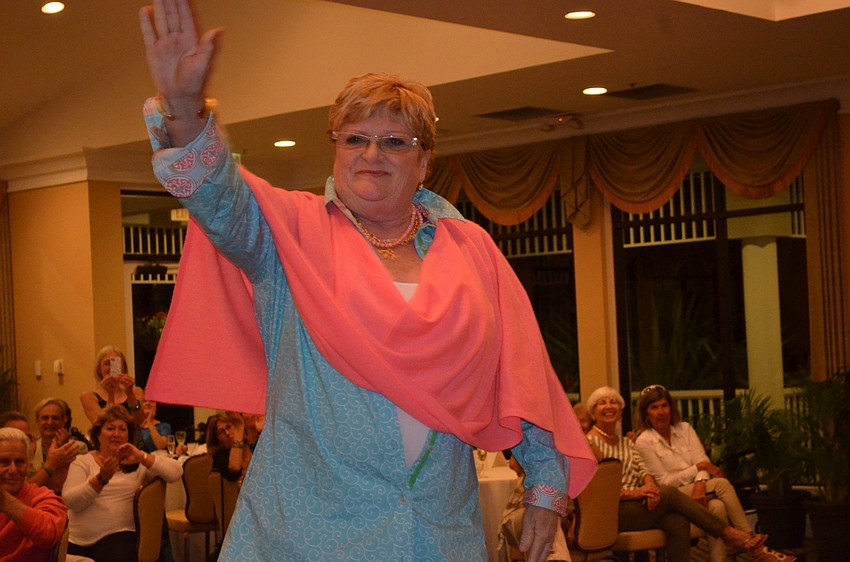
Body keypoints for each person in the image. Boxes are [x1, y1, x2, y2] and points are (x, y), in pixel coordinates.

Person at [137, 1, 596, 561]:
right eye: (354, 139)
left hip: (435, 531)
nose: (372, 154)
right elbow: (221, 200)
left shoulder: (471, 250)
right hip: (309, 532)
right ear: (335, 150)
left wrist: (547, 484)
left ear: (424, 162)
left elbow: (520, 371)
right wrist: (185, 107)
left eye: (395, 141)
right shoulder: (290, 235)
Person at [584, 386, 793, 562]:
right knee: (685, 490)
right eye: (602, 403)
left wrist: (649, 486)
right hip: (613, 511)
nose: (609, 406)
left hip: (642, 504)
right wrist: (641, 492)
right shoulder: (588, 444)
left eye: (614, 402)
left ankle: (737, 542)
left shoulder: (627, 443)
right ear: (593, 413)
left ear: (621, 412)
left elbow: (644, 471)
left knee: (678, 520)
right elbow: (596, 488)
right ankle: (735, 536)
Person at [634, 384, 754, 562]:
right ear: (646, 414)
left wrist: (699, 484)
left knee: (717, 507)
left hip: (698, 490)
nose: (661, 412)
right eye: (654, 408)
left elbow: (702, 458)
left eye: (664, 406)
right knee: (721, 484)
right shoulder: (644, 441)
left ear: (671, 408)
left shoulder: (685, 429)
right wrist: (698, 469)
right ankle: (750, 539)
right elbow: (666, 482)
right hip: (670, 497)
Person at [62, 405, 182, 562]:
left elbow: (176, 472)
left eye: (122, 429)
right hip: (78, 542)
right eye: (110, 428)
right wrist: (101, 479)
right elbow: (71, 501)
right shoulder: (82, 462)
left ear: (129, 436)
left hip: (120, 540)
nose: (116, 434)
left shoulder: (138, 465)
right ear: (98, 435)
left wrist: (141, 457)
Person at [0, 427, 68, 562]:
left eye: (19, 462)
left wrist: (6, 502)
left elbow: (49, 535)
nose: (13, 470)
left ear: (28, 465)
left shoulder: (43, 497)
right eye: (4, 462)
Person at [31, 398, 88, 493]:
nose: (50, 422)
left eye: (55, 418)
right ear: (37, 421)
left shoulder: (78, 447)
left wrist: (62, 446)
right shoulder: (31, 448)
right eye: (45, 418)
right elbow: (28, 486)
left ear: (64, 421)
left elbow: (77, 483)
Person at [80, 346, 145, 427]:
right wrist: (111, 394)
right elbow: (103, 426)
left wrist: (130, 393)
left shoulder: (136, 391)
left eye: (115, 363)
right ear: (100, 369)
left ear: (123, 367)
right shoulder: (89, 397)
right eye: (107, 364)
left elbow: (140, 421)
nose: (111, 368)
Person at [204, 412, 251, 482]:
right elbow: (235, 468)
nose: (227, 433)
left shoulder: (247, 445)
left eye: (228, 427)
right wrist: (240, 430)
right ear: (216, 438)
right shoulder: (219, 455)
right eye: (221, 432)